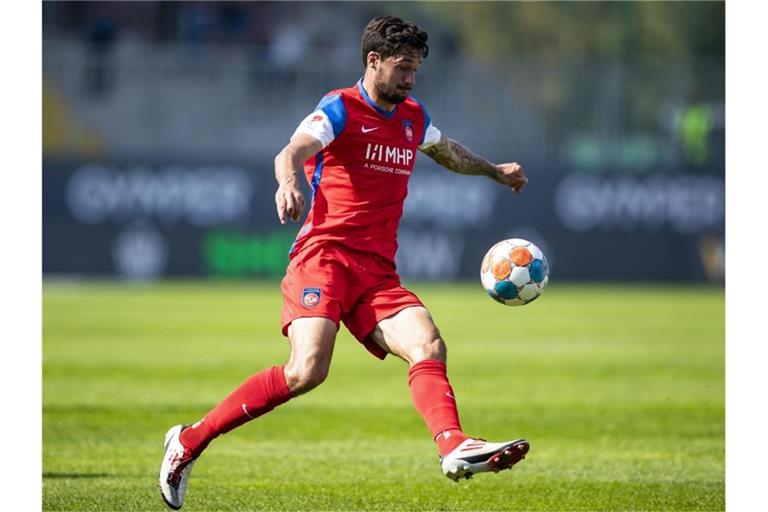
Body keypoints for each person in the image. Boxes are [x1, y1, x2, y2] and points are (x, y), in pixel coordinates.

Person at [159, 15, 530, 509]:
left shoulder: (412, 116)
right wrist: (289, 181)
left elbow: (446, 152)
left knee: (428, 343)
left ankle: (453, 445)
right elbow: (291, 150)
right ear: (373, 61)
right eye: (402, 67)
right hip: (324, 258)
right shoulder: (339, 108)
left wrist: (494, 170)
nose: (409, 79)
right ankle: (188, 442)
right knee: (307, 371)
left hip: (377, 273)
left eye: (416, 70)